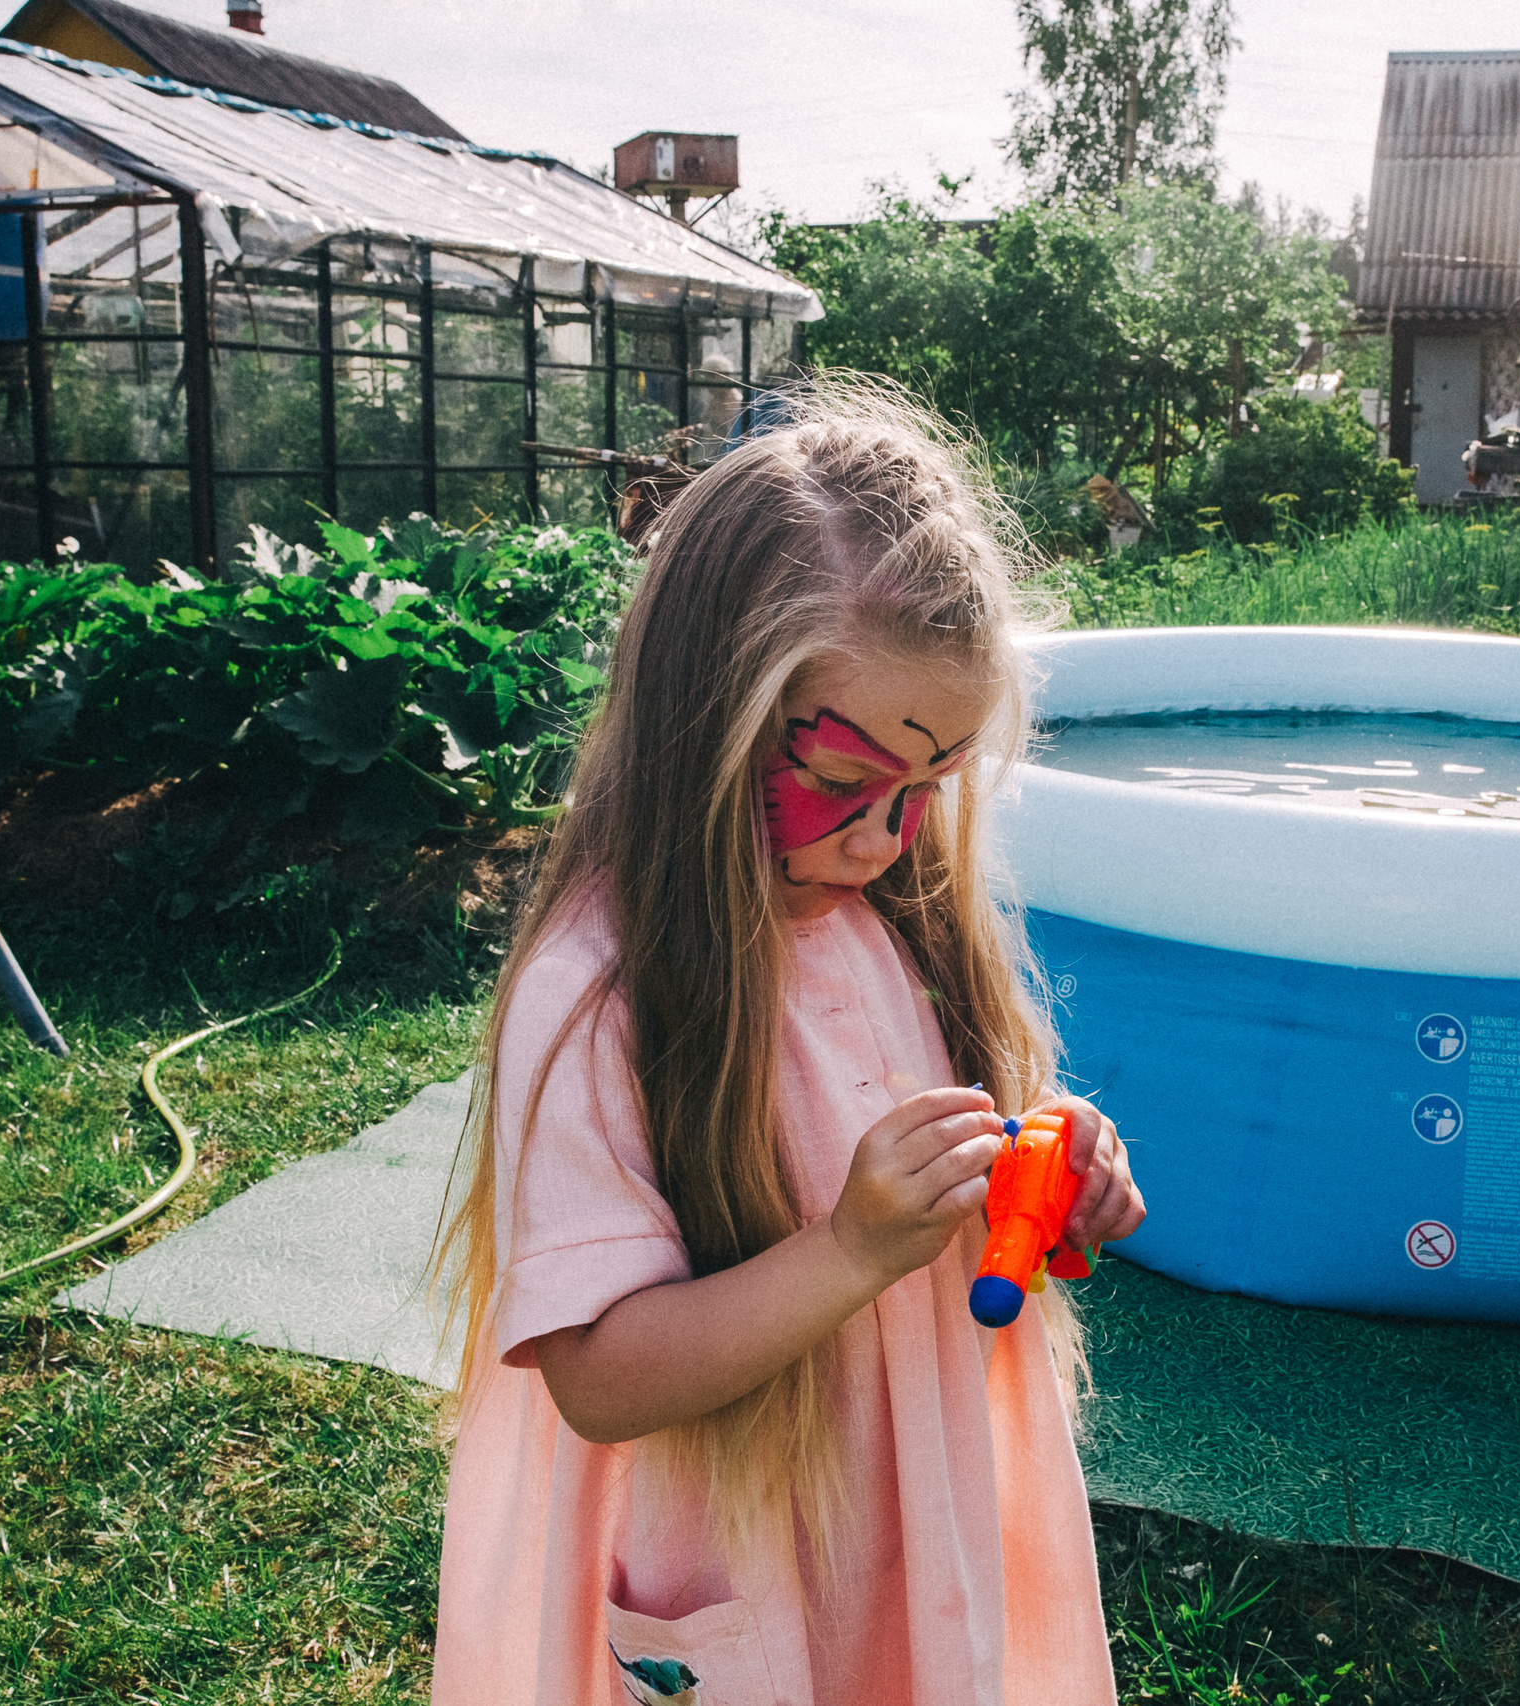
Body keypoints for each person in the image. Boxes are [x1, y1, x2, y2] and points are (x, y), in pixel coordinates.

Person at [430, 380, 1145, 1706]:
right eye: (839, 781)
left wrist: (1044, 1171)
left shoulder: (889, 915)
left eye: (923, 789)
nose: (885, 836)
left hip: (898, 1519)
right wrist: (851, 1249)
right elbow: (594, 1372)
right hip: (731, 1562)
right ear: (706, 721)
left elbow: (949, 1163)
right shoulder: (597, 994)